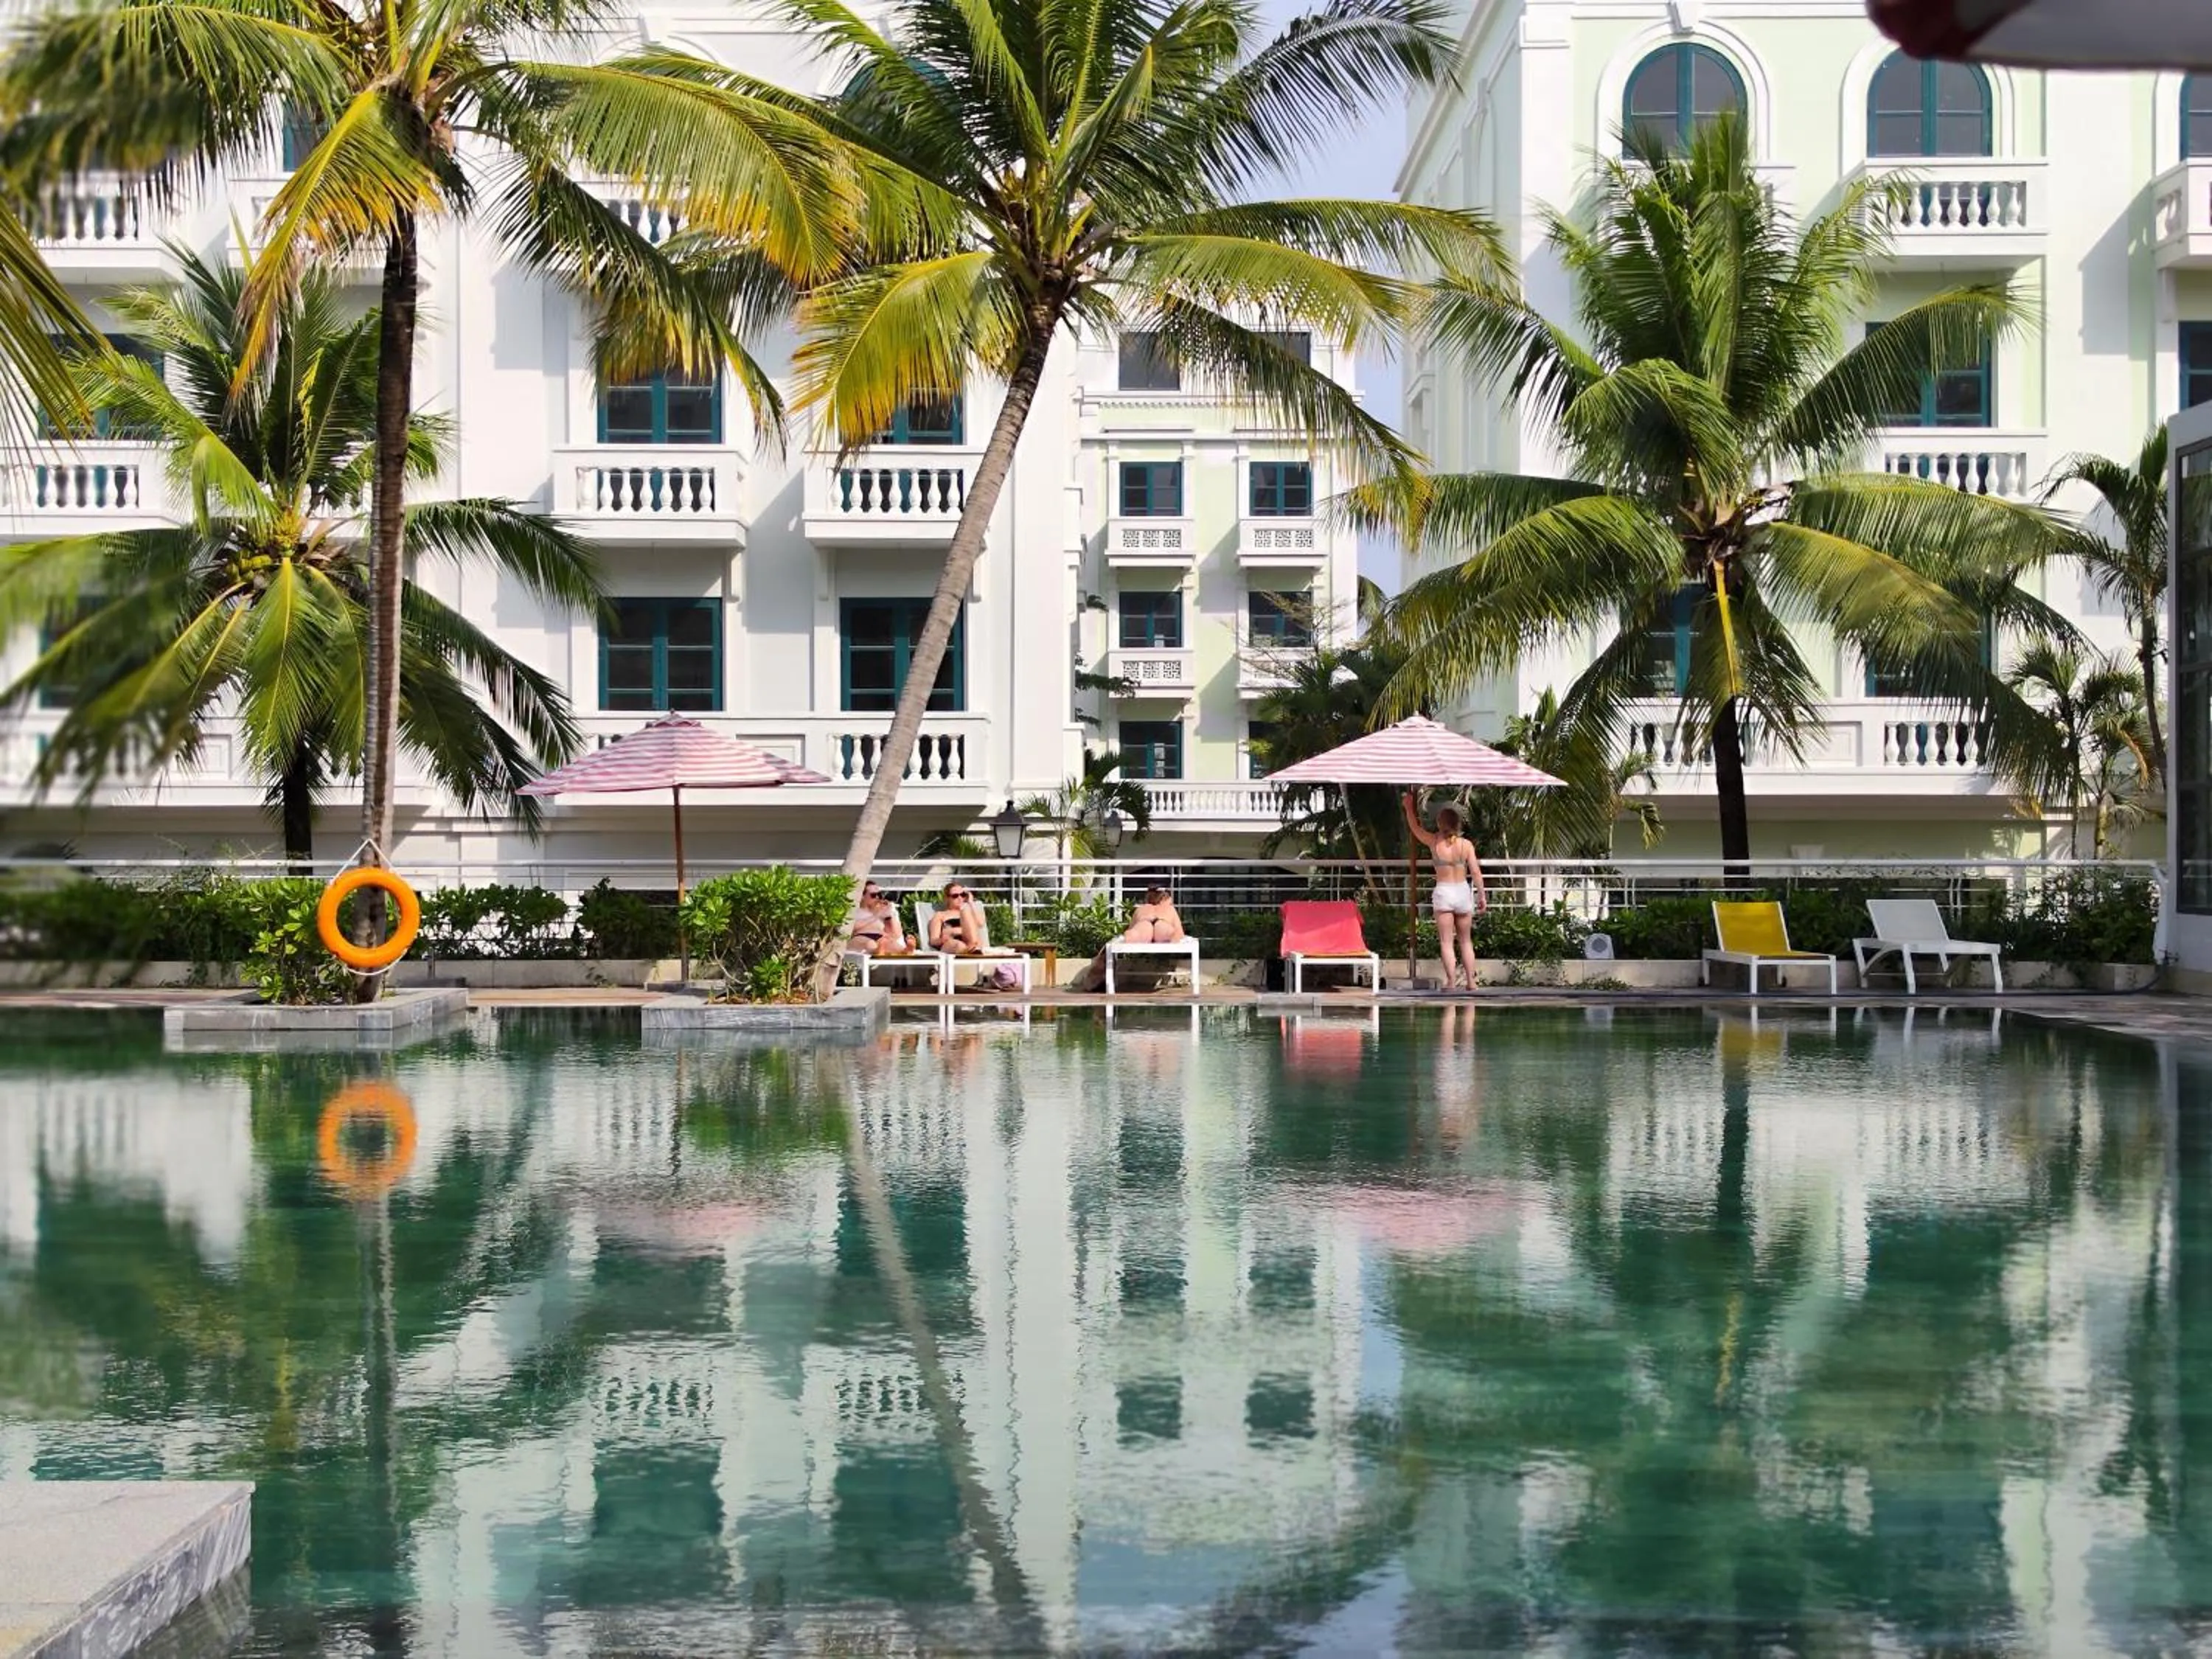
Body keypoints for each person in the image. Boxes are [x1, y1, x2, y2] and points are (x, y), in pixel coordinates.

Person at [1403, 791, 1485, 992]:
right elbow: (1475, 872)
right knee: (1466, 941)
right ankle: (1471, 982)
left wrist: (1408, 807)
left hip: (1444, 892)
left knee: (1446, 942)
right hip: (1462, 891)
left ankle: (1451, 982)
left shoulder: (1434, 842)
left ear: (1440, 824)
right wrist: (1482, 895)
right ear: (1458, 824)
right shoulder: (1466, 845)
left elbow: (1415, 828)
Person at [931, 881, 1022, 990]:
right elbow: (933, 940)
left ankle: (971, 947)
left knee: (965, 912)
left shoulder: (968, 912)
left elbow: (981, 923)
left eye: (963, 895)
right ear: (947, 898)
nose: (960, 898)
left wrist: (971, 903)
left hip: (970, 942)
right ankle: (972, 949)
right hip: (950, 945)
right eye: (955, 896)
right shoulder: (940, 915)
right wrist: (943, 939)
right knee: (959, 945)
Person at [849, 882, 908, 957]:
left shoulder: (882, 910)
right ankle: (878, 950)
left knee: (893, 945)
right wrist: (876, 916)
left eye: (879, 895)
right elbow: (851, 928)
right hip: (860, 937)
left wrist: (889, 916)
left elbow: (896, 935)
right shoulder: (855, 911)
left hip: (881, 938)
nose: (877, 897)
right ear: (862, 896)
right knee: (870, 943)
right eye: (873, 895)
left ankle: (905, 951)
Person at [1119, 886, 1185, 945]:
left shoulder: (1141, 909)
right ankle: (1170, 934)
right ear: (1164, 899)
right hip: (1161, 923)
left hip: (1144, 923)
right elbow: (1180, 931)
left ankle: (1133, 936)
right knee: (1171, 933)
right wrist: (1176, 934)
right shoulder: (1170, 909)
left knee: (1135, 933)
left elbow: (1131, 927)